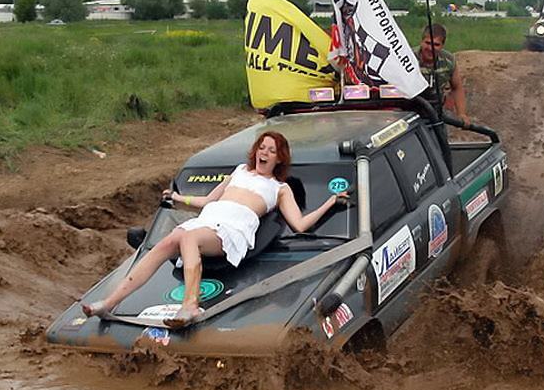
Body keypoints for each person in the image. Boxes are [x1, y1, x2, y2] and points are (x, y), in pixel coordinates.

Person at [81, 132, 347, 327]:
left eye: (271, 151)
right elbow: (208, 200)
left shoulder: (280, 188)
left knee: (187, 237)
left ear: (279, 159)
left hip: (231, 231)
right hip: (207, 220)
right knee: (167, 242)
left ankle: (190, 306)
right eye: (261, 148)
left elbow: (300, 224)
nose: (263, 154)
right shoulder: (240, 171)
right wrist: (177, 198)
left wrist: (330, 202)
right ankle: (109, 303)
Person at [416, 24, 469, 125]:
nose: (430, 48)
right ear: (421, 42)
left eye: (436, 45)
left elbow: (457, 87)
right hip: (410, 110)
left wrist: (461, 113)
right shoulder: (407, 58)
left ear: (442, 45)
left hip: (436, 112)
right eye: (427, 43)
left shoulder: (448, 60)